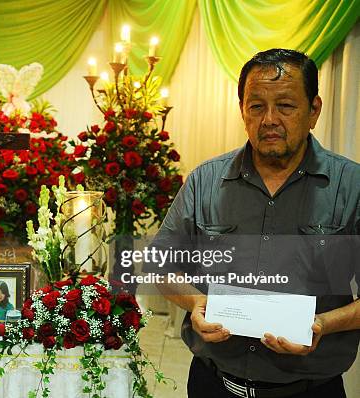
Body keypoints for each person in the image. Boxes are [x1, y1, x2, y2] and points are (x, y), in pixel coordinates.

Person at [154, 49, 359, 397]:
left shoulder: (350, 186)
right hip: (212, 384)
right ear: (243, 111)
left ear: (314, 110)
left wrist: (324, 324)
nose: (269, 120)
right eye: (257, 106)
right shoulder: (206, 181)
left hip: (311, 390)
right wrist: (194, 303)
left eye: (286, 106)